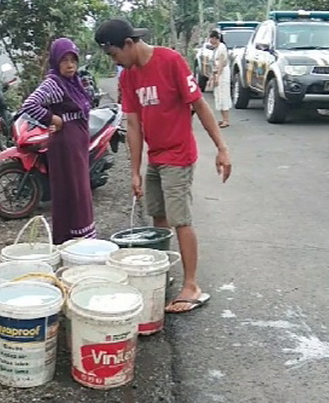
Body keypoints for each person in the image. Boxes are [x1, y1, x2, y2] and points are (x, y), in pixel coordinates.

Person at [94, 17, 232, 313]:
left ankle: (192, 285)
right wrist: (134, 171)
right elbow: (133, 124)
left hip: (178, 154)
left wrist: (221, 148)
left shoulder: (171, 61)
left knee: (180, 219)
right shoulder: (128, 77)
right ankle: (162, 274)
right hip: (156, 156)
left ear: (129, 44)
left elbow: (199, 105)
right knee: (158, 217)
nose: (115, 61)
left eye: (115, 54)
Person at [19, 38, 96, 244]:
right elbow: (30, 104)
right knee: (73, 190)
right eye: (64, 60)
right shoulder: (54, 83)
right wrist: (52, 119)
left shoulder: (74, 82)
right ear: (55, 62)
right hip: (66, 143)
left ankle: (78, 237)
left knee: (78, 188)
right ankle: (74, 238)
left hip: (76, 141)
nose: (70, 65)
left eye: (73, 60)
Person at [208, 30, 231, 128]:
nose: (210, 41)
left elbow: (222, 63)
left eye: (211, 38)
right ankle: (223, 118)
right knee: (218, 95)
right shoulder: (215, 49)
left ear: (215, 38)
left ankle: (226, 119)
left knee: (223, 94)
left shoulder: (222, 47)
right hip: (217, 72)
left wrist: (218, 76)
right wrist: (212, 77)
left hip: (223, 73)